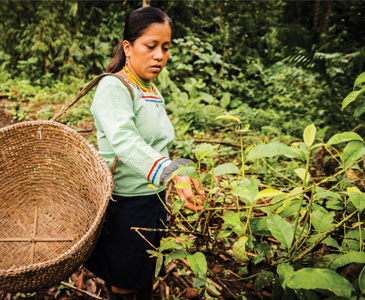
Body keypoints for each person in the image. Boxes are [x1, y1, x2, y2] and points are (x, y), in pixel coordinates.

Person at [84, 7, 202, 300]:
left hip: (153, 199)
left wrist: (181, 173)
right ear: (128, 47)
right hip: (125, 206)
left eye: (166, 47)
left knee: (145, 270)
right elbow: (125, 140)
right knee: (125, 279)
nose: (160, 55)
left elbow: (158, 145)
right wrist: (171, 172)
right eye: (151, 46)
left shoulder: (150, 89)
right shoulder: (114, 87)